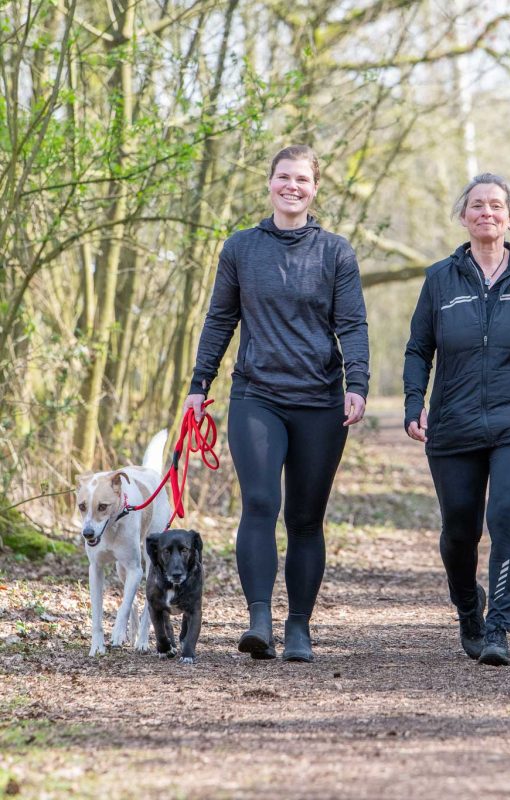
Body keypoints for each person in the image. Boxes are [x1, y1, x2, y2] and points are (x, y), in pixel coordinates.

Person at [183, 144, 369, 663]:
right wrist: (199, 384)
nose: (292, 186)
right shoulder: (240, 248)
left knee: (306, 519)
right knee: (261, 504)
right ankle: (259, 619)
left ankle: (299, 628)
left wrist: (357, 384)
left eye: (302, 179)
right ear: (269, 183)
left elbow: (352, 323)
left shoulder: (336, 252)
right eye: (284, 177)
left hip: (319, 400)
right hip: (256, 394)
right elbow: (220, 319)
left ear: (314, 189)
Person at [403, 173, 510, 666]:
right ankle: (468, 608)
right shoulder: (439, 278)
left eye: (496, 206)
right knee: (460, 529)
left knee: (505, 516)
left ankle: (500, 627)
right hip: (453, 421)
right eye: (477, 205)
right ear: (464, 217)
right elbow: (419, 348)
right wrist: (413, 401)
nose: (487, 212)